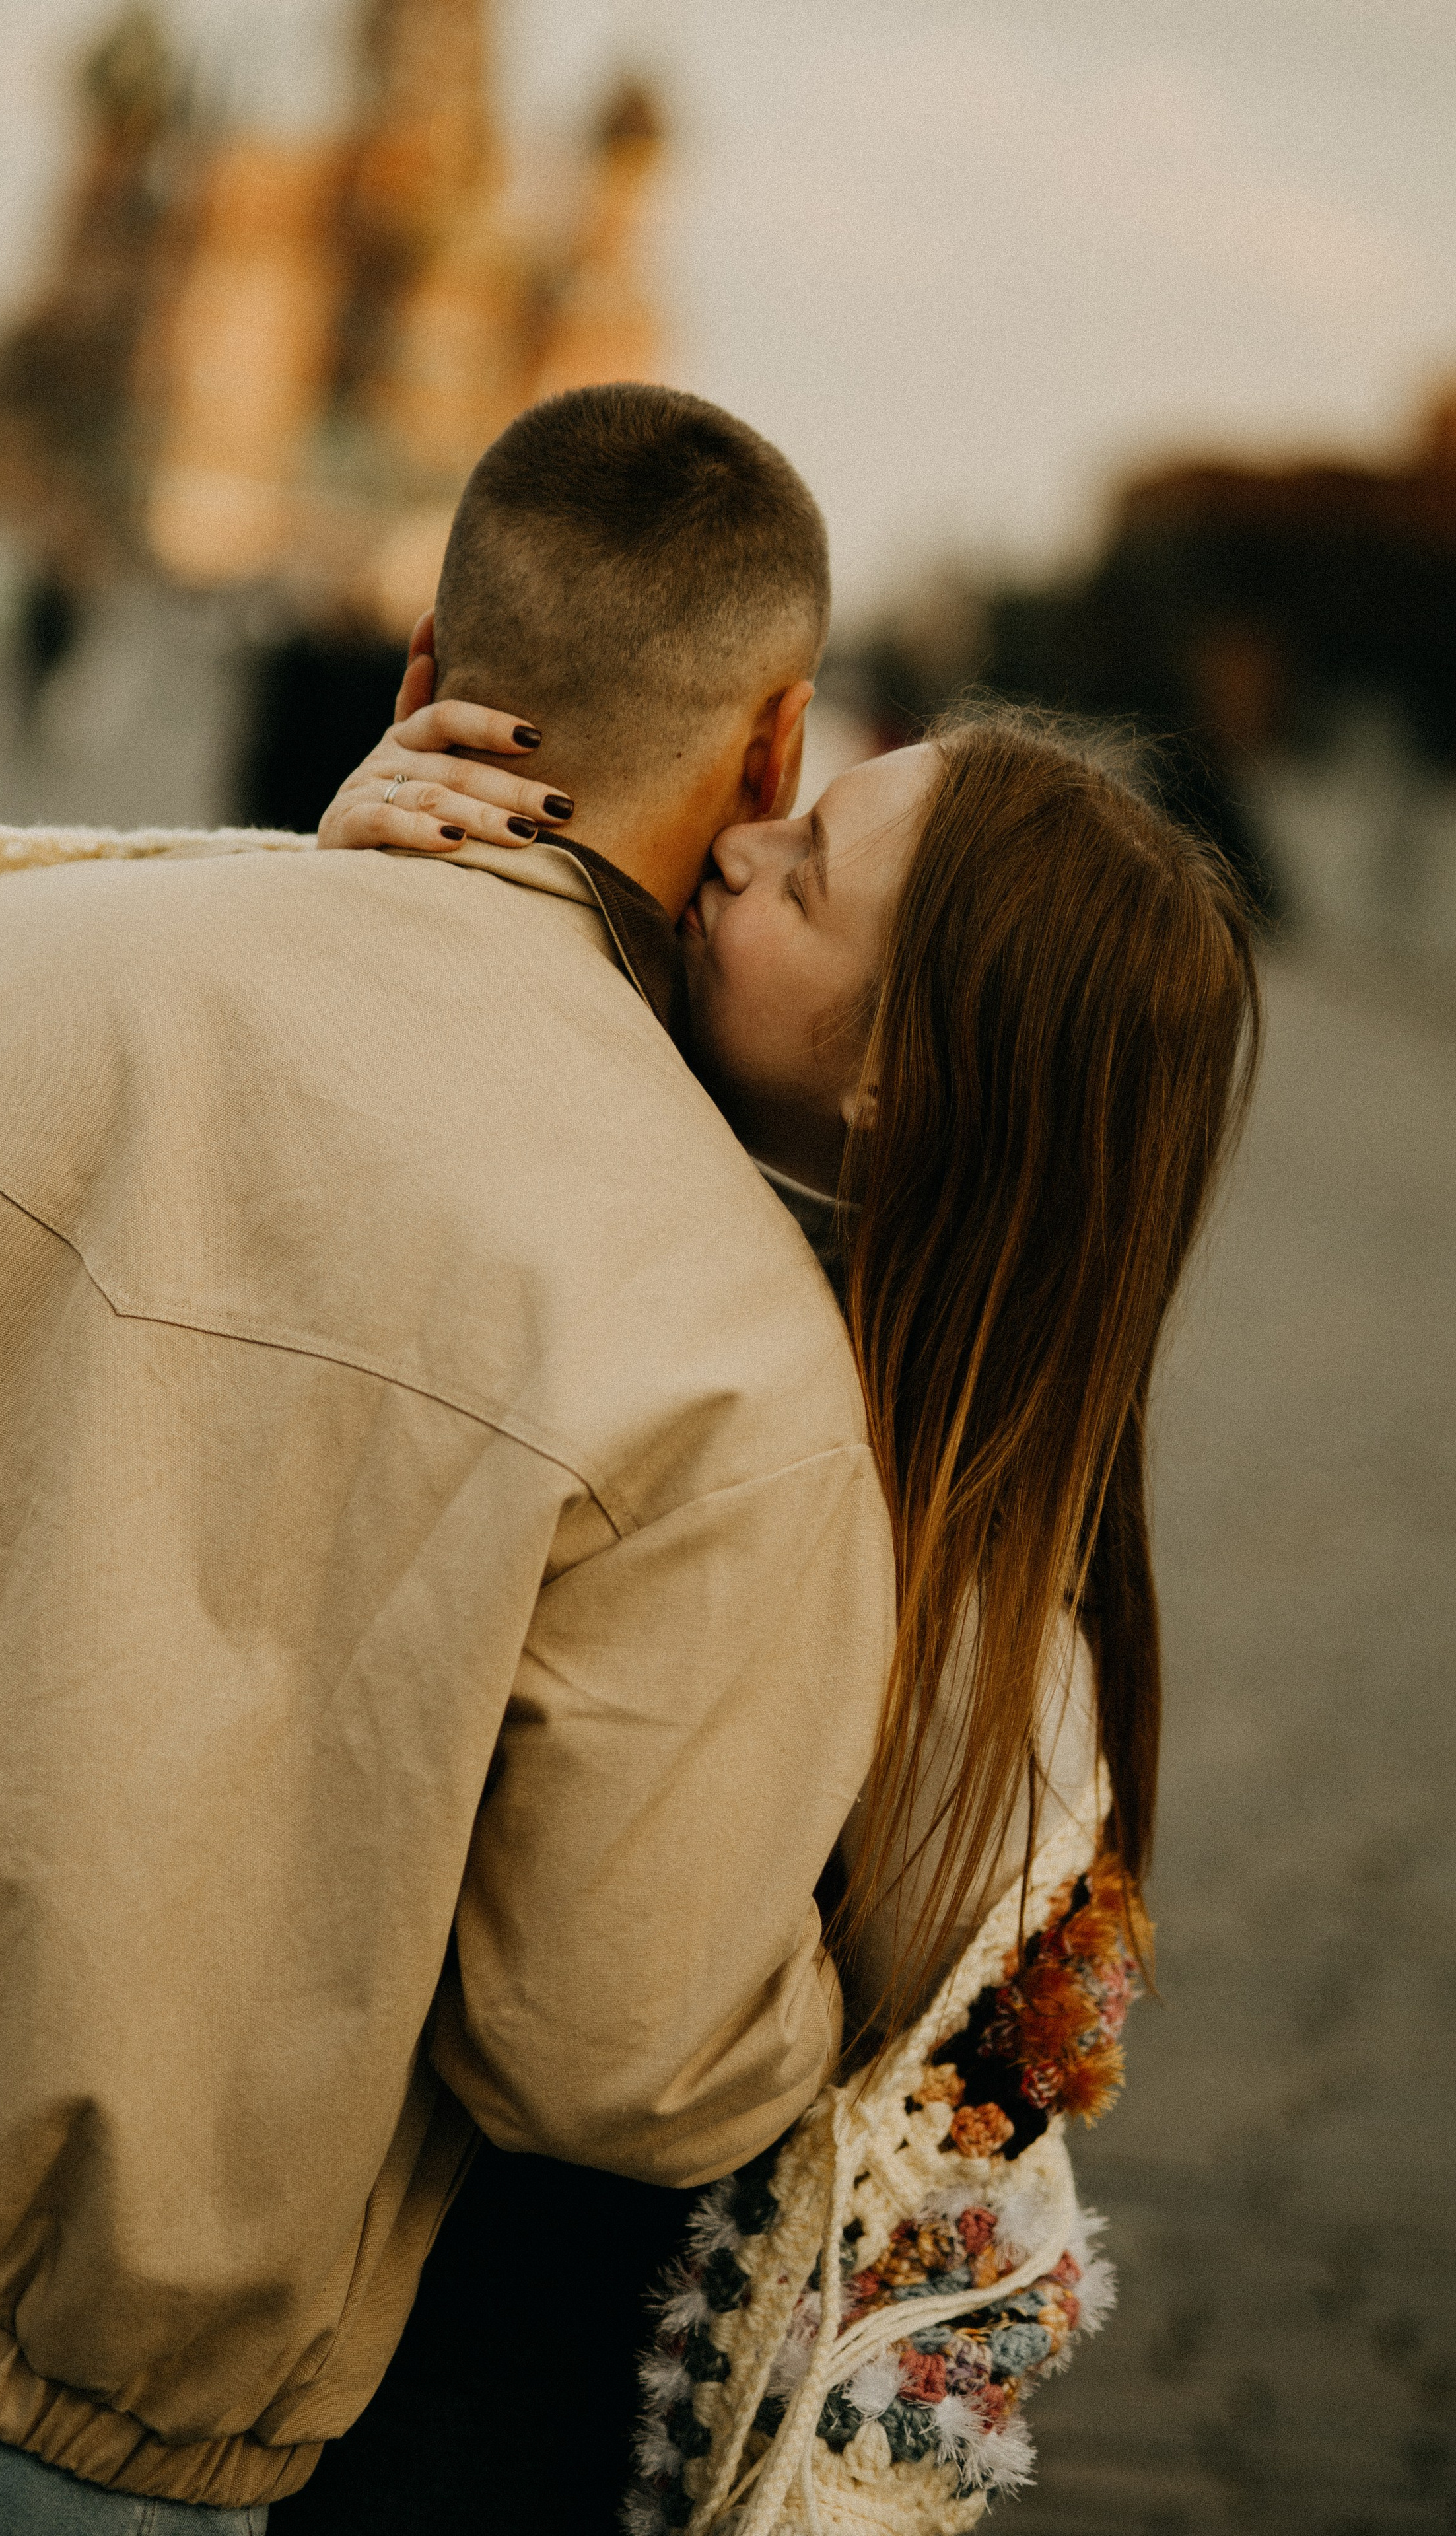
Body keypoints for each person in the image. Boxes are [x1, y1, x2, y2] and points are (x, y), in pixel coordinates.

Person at [0, 388, 899, 2533]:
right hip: (18, 2411)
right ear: (773, 749)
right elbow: (609, 2045)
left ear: (422, 680)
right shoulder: (734, 1331)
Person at [277, 652, 1260, 2527]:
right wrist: (366, 906)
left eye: (804, 871)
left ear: (900, 1079)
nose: (734, 849)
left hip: (508, 2407)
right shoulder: (687, 1226)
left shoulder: (931, 1592)